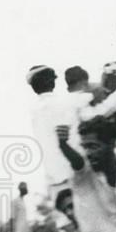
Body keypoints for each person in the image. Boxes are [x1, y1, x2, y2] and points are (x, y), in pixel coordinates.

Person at [28, 65, 88, 200]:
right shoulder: (64, 101)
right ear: (50, 81)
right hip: (74, 169)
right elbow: (87, 97)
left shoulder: (34, 110)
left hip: (53, 175)